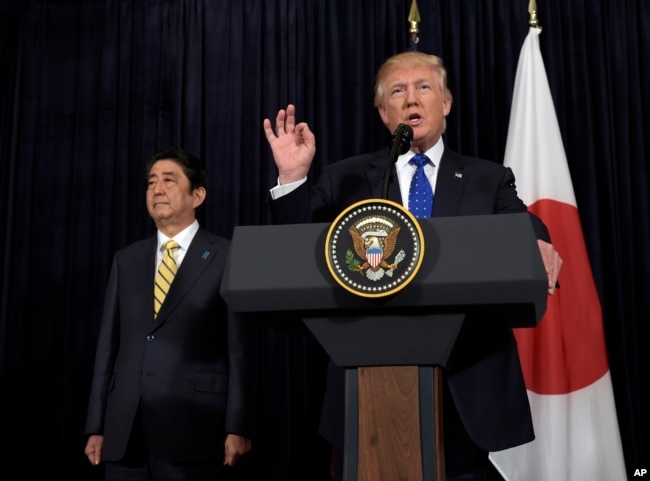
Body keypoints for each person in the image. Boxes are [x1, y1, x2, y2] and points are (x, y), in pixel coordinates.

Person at [263, 51, 562, 480]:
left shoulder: (487, 178)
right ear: (384, 112)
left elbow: (518, 222)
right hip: (365, 387)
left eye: (423, 87)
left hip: (463, 385)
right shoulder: (344, 179)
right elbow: (293, 261)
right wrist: (292, 180)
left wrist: (538, 240)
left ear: (446, 103)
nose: (411, 99)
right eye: (397, 92)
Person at [84, 147, 254, 480]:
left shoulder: (227, 255)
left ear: (198, 195)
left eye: (168, 180)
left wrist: (238, 424)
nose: (156, 190)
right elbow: (107, 349)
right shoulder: (127, 259)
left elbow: (241, 351)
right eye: (151, 183)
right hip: (125, 432)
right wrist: (97, 424)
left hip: (195, 430)